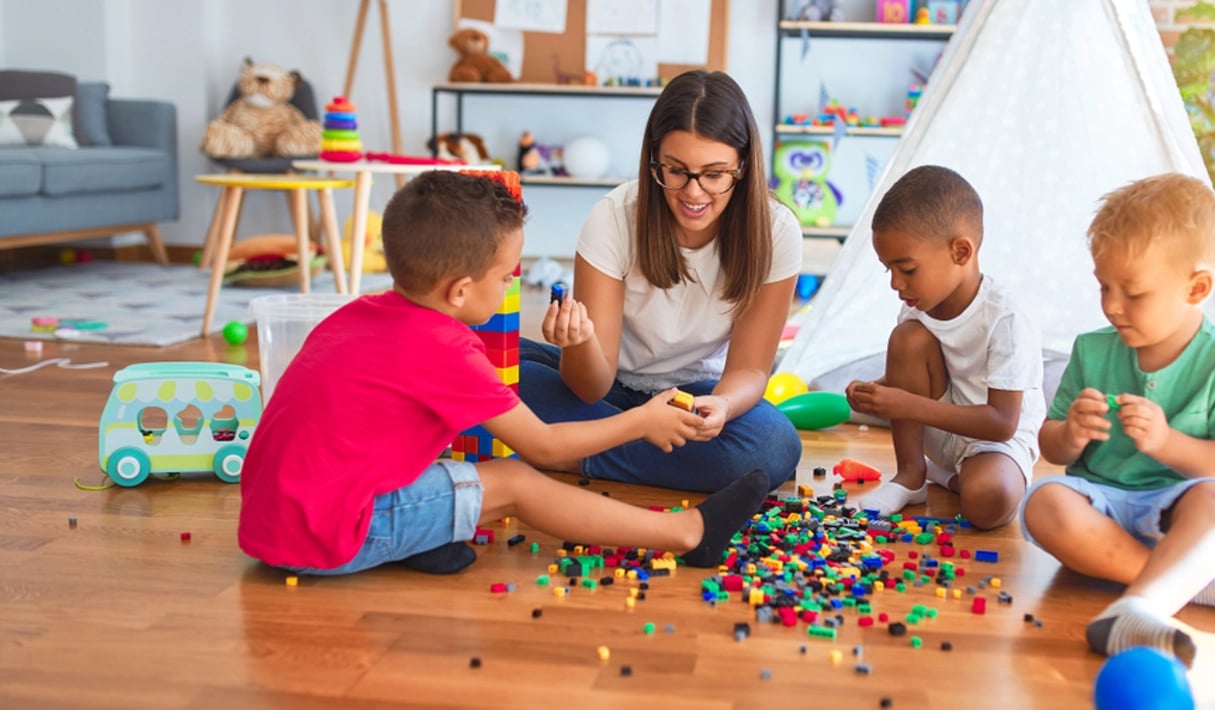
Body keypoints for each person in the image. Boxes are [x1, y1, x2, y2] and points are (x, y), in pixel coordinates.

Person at [237, 171, 772, 576]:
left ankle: (420, 536)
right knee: (515, 482)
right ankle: (689, 533)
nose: (511, 284)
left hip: (274, 518)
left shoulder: (360, 313)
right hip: (321, 537)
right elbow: (543, 445)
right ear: (460, 291)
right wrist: (641, 422)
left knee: (464, 467)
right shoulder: (443, 348)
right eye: (505, 276)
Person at [1020, 173, 1215, 667]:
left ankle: (1139, 606)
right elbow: (1050, 446)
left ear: (1197, 288)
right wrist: (1070, 433)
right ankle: (1189, 581)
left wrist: (1166, 443)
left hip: (1181, 509)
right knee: (1043, 501)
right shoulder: (1092, 350)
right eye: (1104, 286)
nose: (1112, 306)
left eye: (1133, 293)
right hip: (1100, 506)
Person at [517, 70, 803, 493]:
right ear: (654, 157)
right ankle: (582, 445)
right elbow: (590, 387)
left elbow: (748, 369)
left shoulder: (776, 231)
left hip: (695, 395)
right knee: (487, 369)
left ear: (743, 167)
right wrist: (579, 343)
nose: (693, 193)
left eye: (714, 174)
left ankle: (561, 449)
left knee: (772, 443)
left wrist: (723, 404)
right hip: (608, 389)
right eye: (675, 170)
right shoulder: (614, 216)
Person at [843, 166, 1044, 528]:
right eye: (888, 269)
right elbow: (914, 378)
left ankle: (949, 477)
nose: (895, 283)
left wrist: (904, 404)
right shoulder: (917, 307)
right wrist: (876, 391)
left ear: (961, 251)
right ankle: (911, 475)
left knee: (987, 502)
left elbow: (1002, 423)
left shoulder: (1006, 317)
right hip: (938, 428)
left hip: (994, 441)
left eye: (907, 269)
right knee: (907, 338)